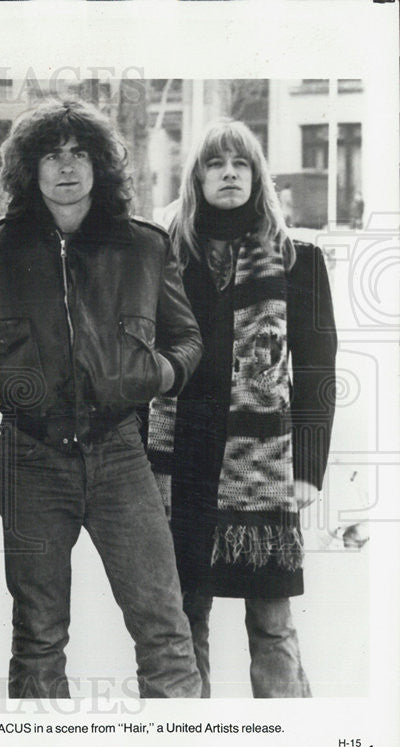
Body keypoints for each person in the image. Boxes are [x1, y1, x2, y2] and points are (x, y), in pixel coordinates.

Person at [0, 98, 202, 699]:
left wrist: (155, 374)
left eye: (79, 153)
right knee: (38, 634)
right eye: (51, 155)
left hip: (120, 456)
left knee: (163, 625)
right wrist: (1, 381)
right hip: (31, 458)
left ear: (101, 165)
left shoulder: (144, 247)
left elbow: (187, 339)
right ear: (28, 169)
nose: (66, 167)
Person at [148, 120, 337, 698]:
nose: (228, 173)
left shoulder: (298, 260)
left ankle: (288, 743)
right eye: (215, 163)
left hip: (263, 468)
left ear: (258, 177)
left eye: (241, 163)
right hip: (182, 462)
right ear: (196, 176)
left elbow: (316, 372)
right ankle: (189, 745)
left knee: (272, 622)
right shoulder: (166, 259)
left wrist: (307, 468)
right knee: (183, 617)